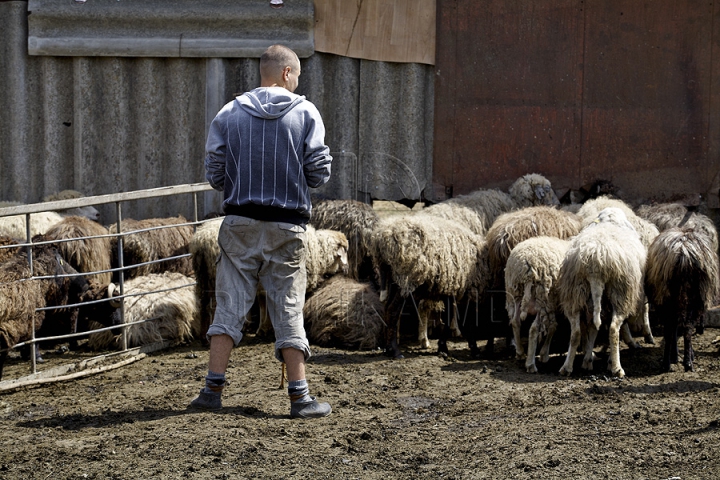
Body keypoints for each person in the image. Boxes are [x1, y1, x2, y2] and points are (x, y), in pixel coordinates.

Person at [189, 44, 333, 419]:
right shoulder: (304, 112)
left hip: (239, 223)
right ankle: (300, 399)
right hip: (287, 226)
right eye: (297, 75)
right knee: (287, 306)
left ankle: (211, 391)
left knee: (230, 304)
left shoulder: (230, 112)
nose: (298, 82)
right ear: (287, 73)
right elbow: (319, 172)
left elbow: (215, 174)